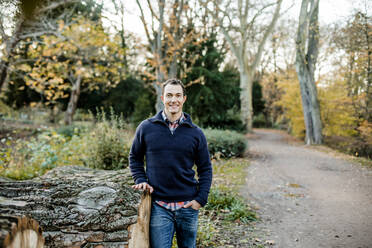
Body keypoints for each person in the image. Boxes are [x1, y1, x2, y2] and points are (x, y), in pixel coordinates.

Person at [129, 78, 213, 248]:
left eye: (177, 95)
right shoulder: (146, 128)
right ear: (162, 98)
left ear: (184, 99)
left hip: (188, 207)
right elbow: (135, 158)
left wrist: (200, 199)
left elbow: (205, 169)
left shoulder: (196, 133)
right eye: (169, 95)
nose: (173, 100)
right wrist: (141, 180)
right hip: (159, 206)